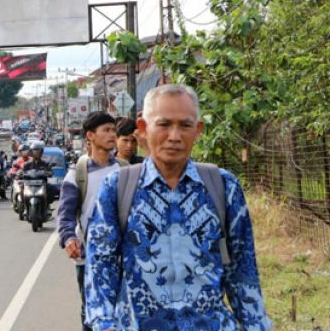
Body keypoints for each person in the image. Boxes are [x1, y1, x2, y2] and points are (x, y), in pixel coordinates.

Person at [85, 85, 272, 330]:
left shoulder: (223, 186)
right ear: (143, 128)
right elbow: (101, 268)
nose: (174, 136)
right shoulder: (118, 187)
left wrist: (256, 325)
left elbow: (243, 270)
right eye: (164, 124)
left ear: (198, 131)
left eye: (185, 125)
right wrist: (104, 324)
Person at [56, 111, 124, 331]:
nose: (112, 135)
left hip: (124, 257)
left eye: (113, 130)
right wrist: (68, 239)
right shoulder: (77, 174)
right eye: (106, 130)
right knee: (91, 313)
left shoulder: (124, 170)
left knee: (123, 312)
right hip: (89, 259)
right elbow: (65, 214)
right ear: (90, 136)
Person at [21, 142, 53, 217]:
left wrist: (49, 172)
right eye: (34, 151)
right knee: (21, 188)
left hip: (42, 184)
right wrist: (20, 174)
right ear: (31, 152)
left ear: (41, 152)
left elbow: (50, 171)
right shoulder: (27, 164)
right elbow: (23, 172)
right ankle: (25, 208)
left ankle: (47, 207)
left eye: (38, 151)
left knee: (52, 188)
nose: (36, 153)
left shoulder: (45, 163)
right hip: (29, 184)